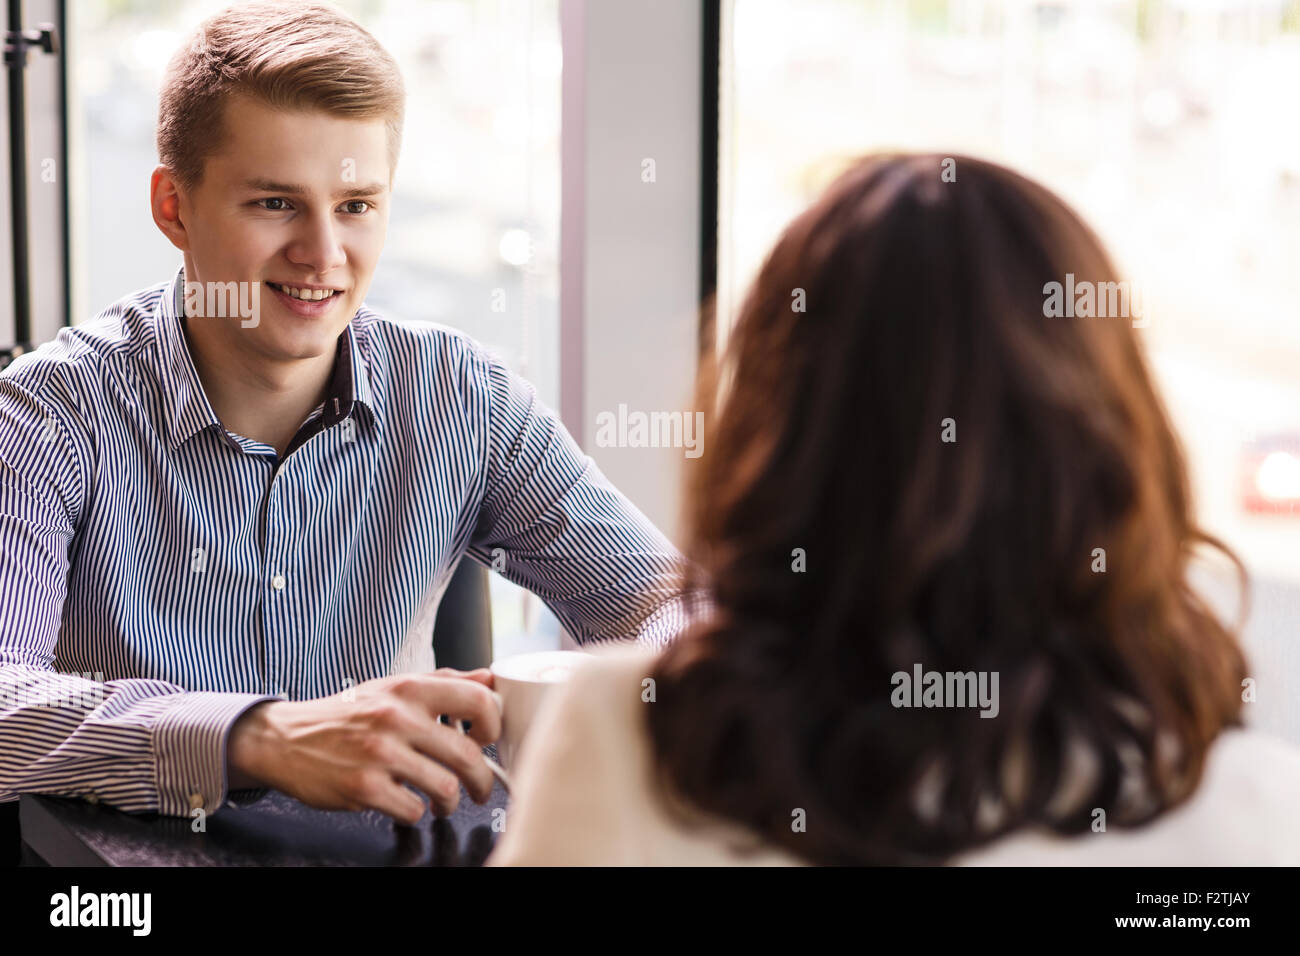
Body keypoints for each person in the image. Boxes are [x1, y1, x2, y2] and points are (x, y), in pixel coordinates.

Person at [0, 0, 695, 852]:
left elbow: (669, 610)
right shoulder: (50, 413)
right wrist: (258, 737)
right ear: (174, 207)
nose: (323, 254)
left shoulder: (463, 398)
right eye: (274, 204)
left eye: (357, 205)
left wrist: (568, 698)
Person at [488, 152, 1300, 866]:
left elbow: (662, 601)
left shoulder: (627, 739)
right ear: (1121, 447)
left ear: (772, 439)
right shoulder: (1254, 813)